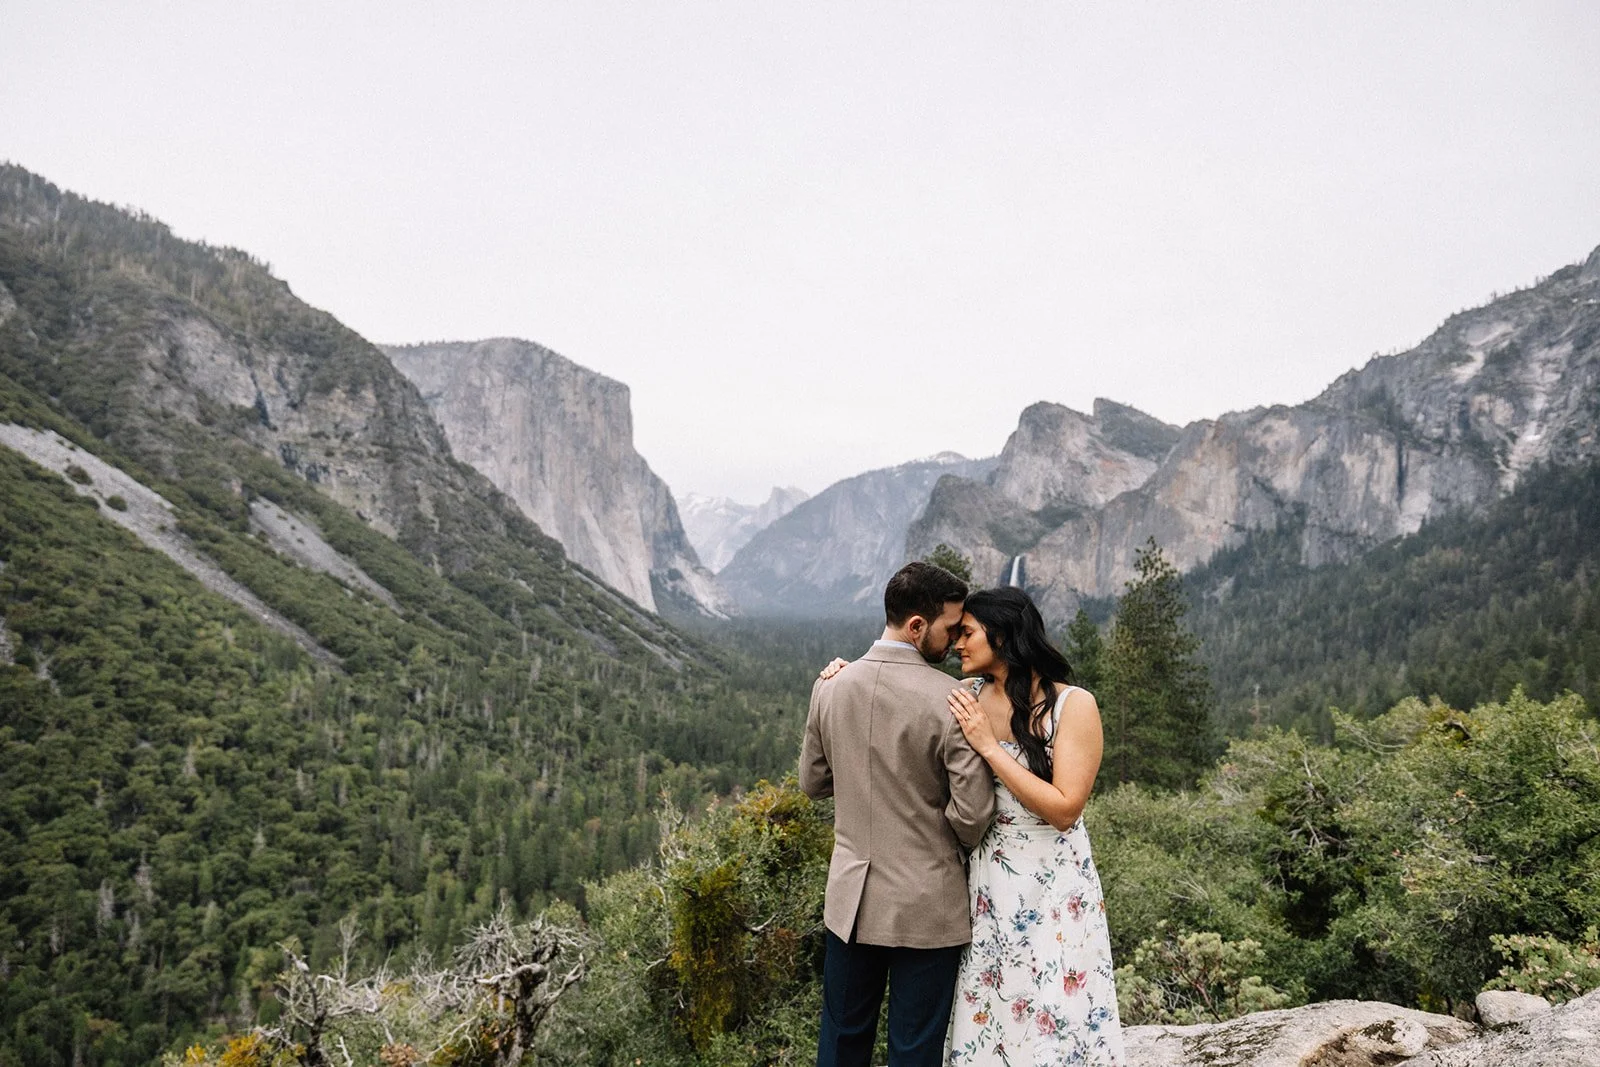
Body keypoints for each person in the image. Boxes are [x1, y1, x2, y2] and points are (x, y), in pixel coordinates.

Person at [801, 561, 998, 1067]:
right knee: (914, 1052)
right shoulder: (951, 700)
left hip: (850, 900)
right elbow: (973, 815)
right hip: (926, 905)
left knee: (842, 1042)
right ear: (916, 626)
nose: (956, 640)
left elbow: (813, 784)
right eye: (951, 627)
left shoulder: (830, 686)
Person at [943, 586, 1124, 1065]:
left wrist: (988, 747)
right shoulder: (966, 696)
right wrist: (840, 674)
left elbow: (1065, 809)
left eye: (967, 633)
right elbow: (903, 694)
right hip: (989, 881)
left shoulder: (1073, 706)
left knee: (1056, 1006)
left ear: (1000, 636)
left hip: (1054, 882)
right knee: (995, 1003)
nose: (957, 644)